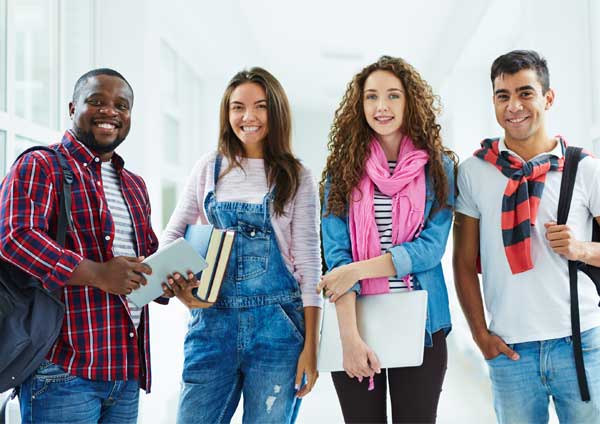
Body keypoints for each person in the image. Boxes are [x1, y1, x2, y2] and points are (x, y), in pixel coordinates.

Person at [161, 67, 322, 423]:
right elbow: (173, 238)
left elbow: (310, 266)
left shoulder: (298, 177)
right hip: (212, 325)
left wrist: (312, 347)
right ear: (227, 112)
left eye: (260, 106)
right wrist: (183, 292)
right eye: (238, 107)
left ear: (276, 112)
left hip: (278, 329)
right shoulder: (209, 167)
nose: (248, 117)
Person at [0, 68, 161, 423]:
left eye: (122, 105)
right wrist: (98, 274)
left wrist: (170, 283)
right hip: (63, 369)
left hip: (125, 370)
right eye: (97, 101)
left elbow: (143, 259)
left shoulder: (135, 185)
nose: (110, 112)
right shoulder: (40, 165)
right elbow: (15, 239)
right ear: (73, 108)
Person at [454, 50, 600, 423]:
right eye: (503, 96)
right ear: (494, 102)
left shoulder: (584, 169)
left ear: (548, 98)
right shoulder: (474, 172)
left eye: (525, 93)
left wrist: (580, 247)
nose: (514, 106)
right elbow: (463, 261)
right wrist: (479, 335)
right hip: (510, 349)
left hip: (581, 342)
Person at [318, 55, 456, 423]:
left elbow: (431, 248)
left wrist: (358, 270)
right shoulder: (340, 170)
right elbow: (336, 259)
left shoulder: (439, 168)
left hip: (423, 325)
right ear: (359, 105)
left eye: (393, 96)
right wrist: (349, 338)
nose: (382, 106)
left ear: (410, 101)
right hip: (356, 323)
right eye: (371, 97)